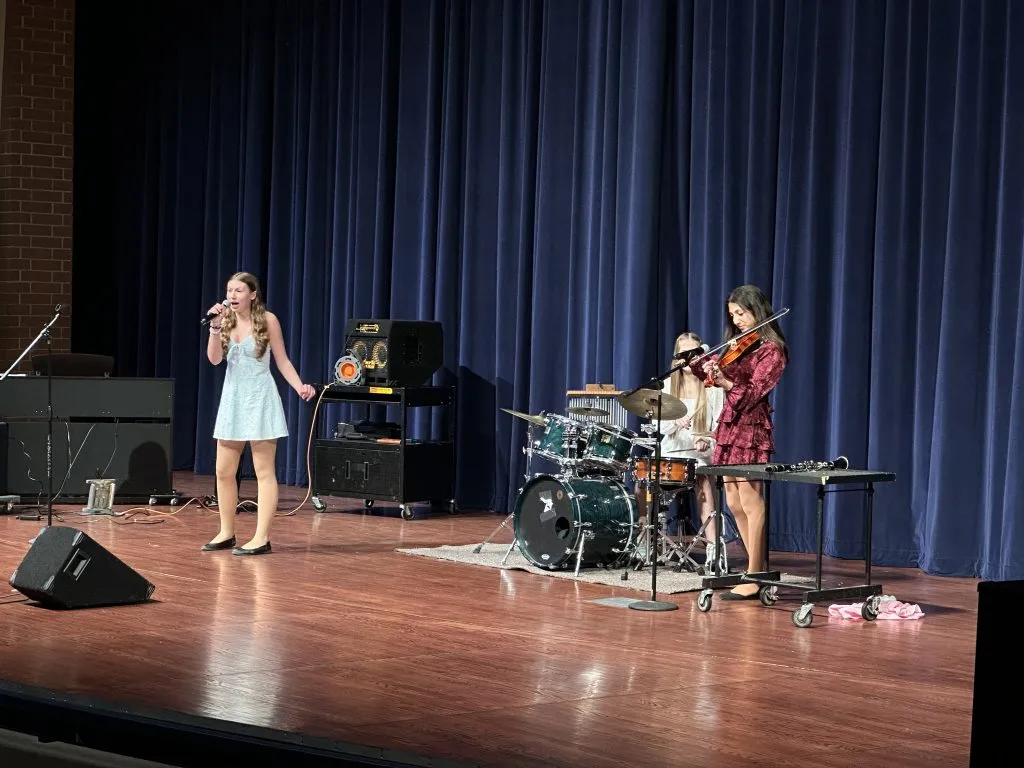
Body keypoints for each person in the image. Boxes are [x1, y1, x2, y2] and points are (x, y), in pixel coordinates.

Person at [203, 272, 315, 555]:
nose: (232, 295)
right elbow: (215, 359)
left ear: (253, 294)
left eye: (239, 290)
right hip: (233, 400)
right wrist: (214, 327)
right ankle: (227, 532)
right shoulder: (224, 320)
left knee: (264, 470)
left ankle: (261, 537)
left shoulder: (268, 320)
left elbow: (282, 360)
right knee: (223, 470)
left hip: (260, 399)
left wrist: (300, 386)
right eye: (229, 290)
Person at [691, 284, 787, 598]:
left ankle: (757, 574)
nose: (737, 320)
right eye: (733, 315)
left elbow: (752, 392)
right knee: (733, 501)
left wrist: (724, 380)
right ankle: (752, 568)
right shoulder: (740, 344)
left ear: (756, 310)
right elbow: (718, 378)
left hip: (751, 428)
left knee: (750, 500)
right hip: (729, 427)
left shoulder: (771, 350)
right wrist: (705, 367)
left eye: (741, 313)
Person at [656, 332, 725, 566]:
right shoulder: (667, 385)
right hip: (672, 451)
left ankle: (714, 549)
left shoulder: (713, 388)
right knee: (642, 484)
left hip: (700, 454)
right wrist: (675, 422)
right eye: (683, 355)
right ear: (676, 359)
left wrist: (706, 439)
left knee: (704, 483)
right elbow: (661, 426)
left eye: (694, 353)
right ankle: (645, 543)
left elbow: (719, 426)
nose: (689, 359)